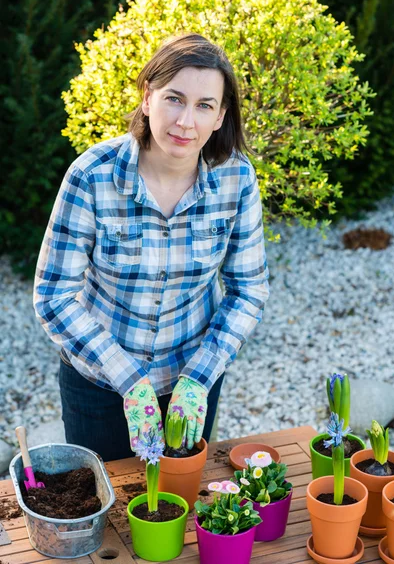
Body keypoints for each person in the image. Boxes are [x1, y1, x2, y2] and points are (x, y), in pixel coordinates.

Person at [33, 33, 269, 462]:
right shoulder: (92, 176)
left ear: (220, 117)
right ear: (147, 97)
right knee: (105, 512)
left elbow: (248, 290)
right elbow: (53, 297)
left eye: (204, 106)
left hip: (192, 382)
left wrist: (199, 378)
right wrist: (129, 378)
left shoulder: (237, 179)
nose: (185, 122)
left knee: (175, 509)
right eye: (174, 99)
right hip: (99, 384)